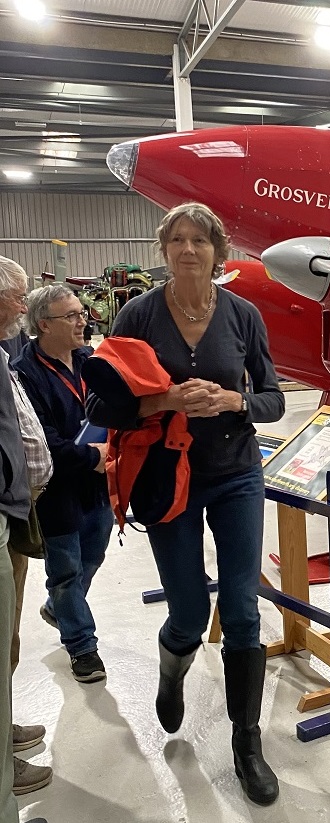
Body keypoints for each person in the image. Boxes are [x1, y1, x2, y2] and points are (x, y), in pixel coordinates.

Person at [86, 203, 285, 806]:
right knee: (191, 613)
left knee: (244, 607)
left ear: (218, 251)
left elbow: (273, 400)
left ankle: (247, 745)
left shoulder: (244, 316)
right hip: (166, 479)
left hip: (236, 475)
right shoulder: (138, 315)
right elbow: (101, 410)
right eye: (178, 239)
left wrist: (232, 402)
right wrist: (166, 399)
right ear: (164, 249)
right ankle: (171, 671)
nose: (189, 249)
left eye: (201, 240)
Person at [12, 285, 113, 684]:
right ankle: (82, 647)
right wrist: (93, 458)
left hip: (98, 484)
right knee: (67, 569)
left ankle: (58, 608)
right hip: (57, 489)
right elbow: (42, 439)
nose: (82, 320)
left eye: (80, 312)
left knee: (94, 555)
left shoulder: (92, 360)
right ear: (43, 325)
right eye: (70, 316)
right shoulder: (24, 373)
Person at [0, 258, 54, 797]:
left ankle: (4, 728)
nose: (22, 306)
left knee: (8, 638)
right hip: (5, 512)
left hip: (16, 513)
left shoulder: (3, 354)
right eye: (17, 299)